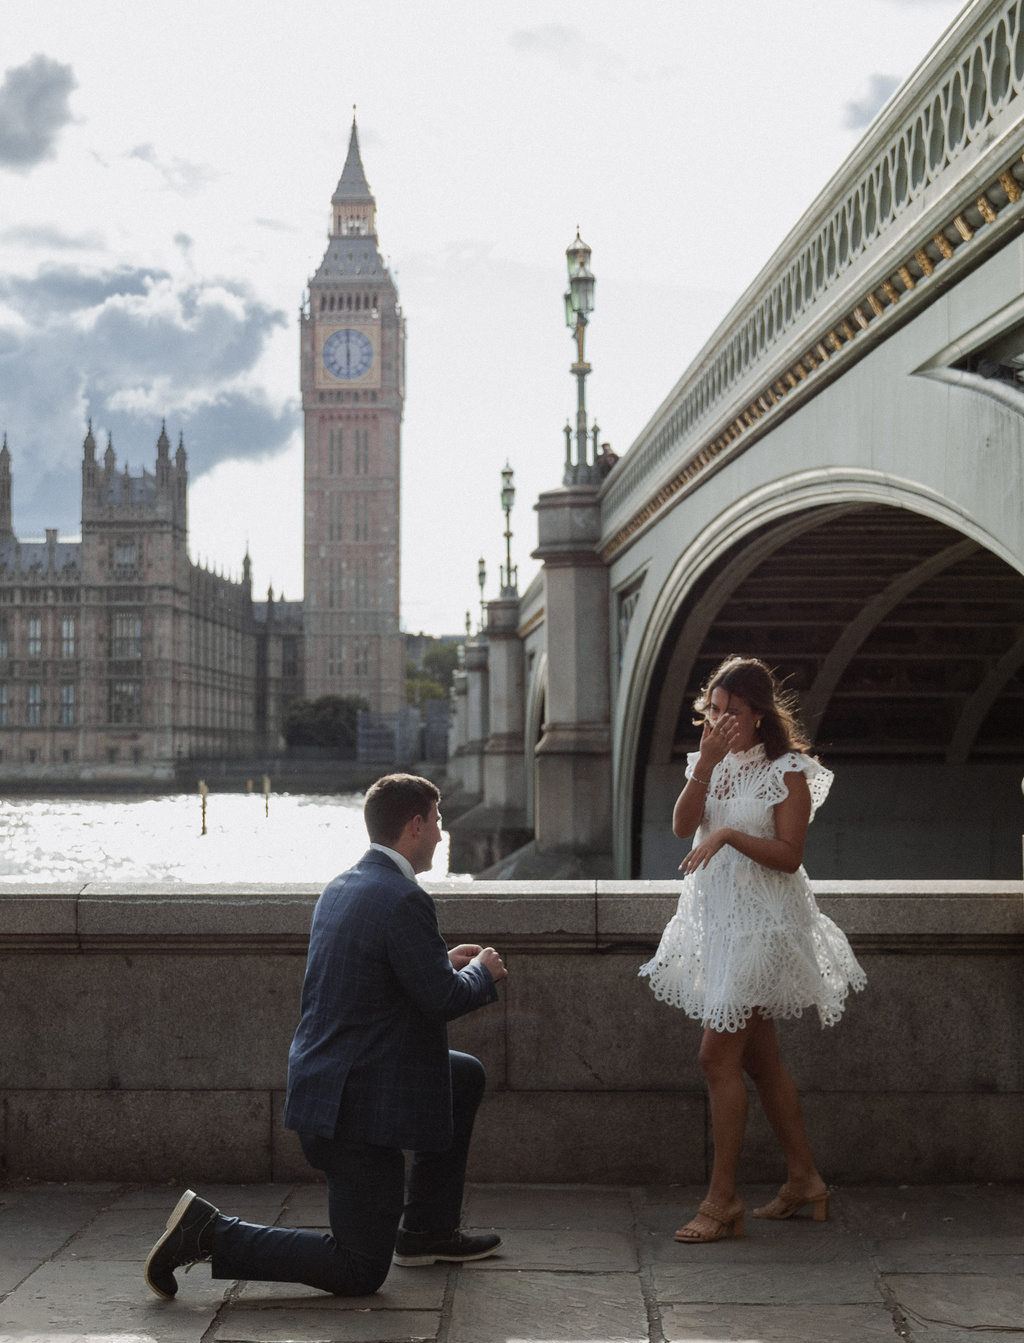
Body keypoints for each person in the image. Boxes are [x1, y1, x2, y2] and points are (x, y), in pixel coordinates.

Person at [145, 773, 507, 1299]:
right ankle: (206, 1231)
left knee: (462, 1074)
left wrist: (441, 963)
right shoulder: (405, 898)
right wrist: (482, 973)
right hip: (354, 1110)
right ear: (414, 824)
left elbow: (381, 978)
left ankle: (427, 1230)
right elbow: (443, 1001)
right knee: (359, 1268)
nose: (441, 834)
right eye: (437, 821)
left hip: (331, 1080)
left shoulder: (345, 885)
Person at [639, 657, 865, 1244]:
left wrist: (731, 835)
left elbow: (789, 855)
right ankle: (804, 1180)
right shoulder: (707, 763)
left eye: (731, 712)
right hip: (718, 924)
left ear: (758, 714)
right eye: (712, 710)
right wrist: (705, 769)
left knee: (716, 1058)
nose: (719, 721)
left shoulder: (788, 770)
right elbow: (679, 824)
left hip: (764, 926)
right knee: (761, 1061)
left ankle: (721, 1202)